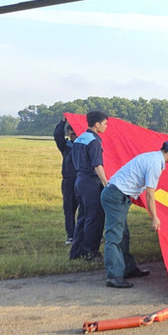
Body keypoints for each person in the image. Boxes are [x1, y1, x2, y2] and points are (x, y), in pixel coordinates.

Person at [100, 138, 168, 288]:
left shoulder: (153, 158)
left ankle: (127, 268)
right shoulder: (155, 164)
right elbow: (150, 194)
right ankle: (114, 276)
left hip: (117, 195)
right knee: (114, 236)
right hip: (115, 196)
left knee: (123, 235)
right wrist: (154, 218)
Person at [70, 111, 108, 262]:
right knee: (95, 218)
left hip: (79, 180)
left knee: (83, 217)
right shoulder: (94, 141)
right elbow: (97, 165)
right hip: (90, 182)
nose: (106, 127)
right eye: (105, 124)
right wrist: (106, 183)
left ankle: (76, 251)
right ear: (97, 124)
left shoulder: (80, 138)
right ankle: (90, 252)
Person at [53, 118, 79, 245]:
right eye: (70, 129)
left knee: (88, 209)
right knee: (69, 209)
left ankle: (86, 233)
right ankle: (71, 235)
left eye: (75, 129)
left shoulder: (85, 144)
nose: (73, 132)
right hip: (69, 181)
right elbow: (57, 135)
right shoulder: (65, 146)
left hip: (84, 180)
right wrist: (63, 122)